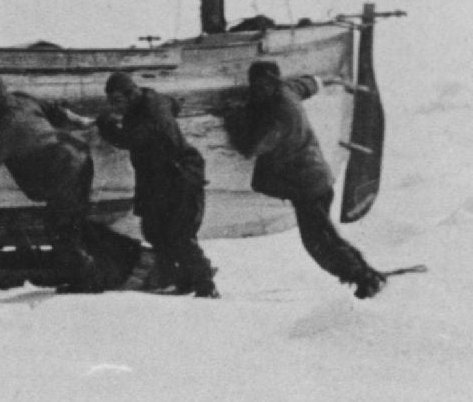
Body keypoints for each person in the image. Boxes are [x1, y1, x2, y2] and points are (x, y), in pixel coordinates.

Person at [222, 59, 387, 296]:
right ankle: (364, 276)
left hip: (307, 186)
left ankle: (365, 279)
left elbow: (252, 147)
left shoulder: (279, 116)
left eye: (261, 84)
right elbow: (306, 85)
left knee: (319, 244)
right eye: (254, 84)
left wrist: (233, 117)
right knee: (324, 238)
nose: (256, 89)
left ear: (272, 83)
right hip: (312, 181)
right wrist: (328, 80)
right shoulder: (285, 91)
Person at [0, 72, 120, 291]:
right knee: (74, 225)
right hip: (76, 158)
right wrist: (83, 122)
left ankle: (90, 283)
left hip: (62, 173)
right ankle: (102, 271)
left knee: (61, 230)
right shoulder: (21, 99)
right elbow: (56, 113)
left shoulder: (7, 124)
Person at [95, 70, 217, 297]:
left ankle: (205, 285)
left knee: (179, 234)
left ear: (131, 94)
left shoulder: (150, 112)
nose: (115, 107)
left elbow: (129, 139)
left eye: (118, 101)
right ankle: (183, 280)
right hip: (159, 180)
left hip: (180, 176)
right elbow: (172, 104)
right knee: (154, 231)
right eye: (111, 102)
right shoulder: (153, 100)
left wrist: (105, 125)